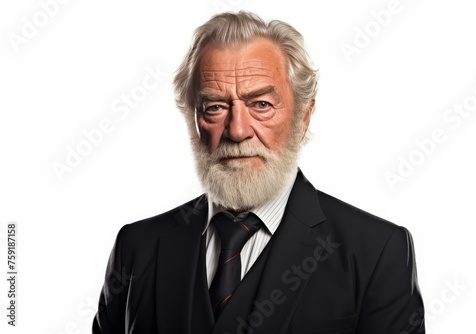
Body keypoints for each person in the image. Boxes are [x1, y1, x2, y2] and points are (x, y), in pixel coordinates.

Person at [93, 11, 425, 334]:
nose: (237, 131)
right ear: (192, 119)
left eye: (261, 105)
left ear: (303, 116)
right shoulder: (137, 248)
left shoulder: (376, 253)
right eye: (215, 107)